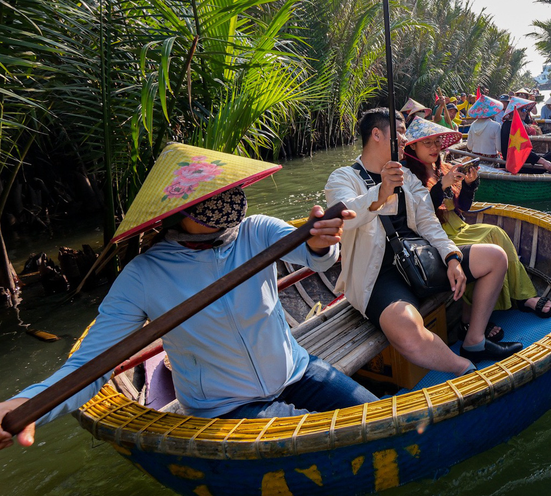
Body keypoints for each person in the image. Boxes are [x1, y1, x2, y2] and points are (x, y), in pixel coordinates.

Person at [0, 144, 373, 449]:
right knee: (339, 443)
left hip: (297, 370)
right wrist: (27, 405)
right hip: (227, 407)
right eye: (208, 198)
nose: (225, 201)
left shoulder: (255, 231)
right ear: (177, 212)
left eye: (227, 190)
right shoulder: (144, 275)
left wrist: (322, 243)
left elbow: (317, 258)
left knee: (375, 414)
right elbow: (91, 363)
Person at [326, 109, 521, 376]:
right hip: (379, 275)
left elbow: (429, 222)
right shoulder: (343, 177)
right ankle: (464, 369)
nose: (405, 140)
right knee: (405, 329)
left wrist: (451, 257)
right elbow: (344, 216)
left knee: (495, 257)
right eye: (400, 133)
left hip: (419, 258)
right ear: (376, 135)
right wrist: (381, 192)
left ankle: (474, 340)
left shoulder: (406, 175)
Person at [402, 120, 551, 336]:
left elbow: (462, 207)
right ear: (412, 147)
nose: (434, 148)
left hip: (459, 227)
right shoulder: (408, 176)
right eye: (427, 143)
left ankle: (523, 295)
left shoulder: (444, 168)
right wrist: (442, 186)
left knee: (496, 233)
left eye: (437, 142)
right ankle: (472, 318)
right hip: (435, 236)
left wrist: (468, 184)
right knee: (483, 244)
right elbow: (418, 214)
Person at [500, 97, 551, 173]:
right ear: (514, 111)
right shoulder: (514, 127)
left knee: (550, 154)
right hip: (520, 166)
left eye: (526, 110)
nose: (525, 112)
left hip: (517, 162)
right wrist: (543, 161)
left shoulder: (506, 124)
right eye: (522, 110)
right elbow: (524, 151)